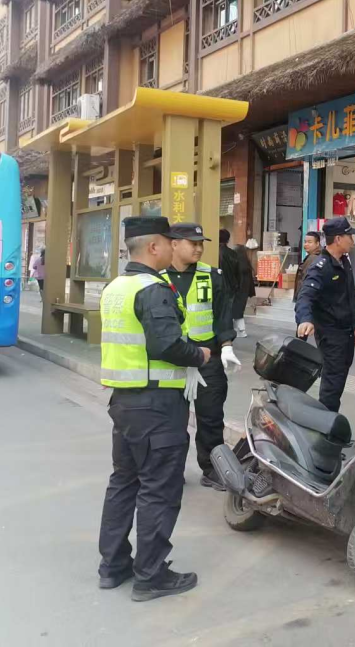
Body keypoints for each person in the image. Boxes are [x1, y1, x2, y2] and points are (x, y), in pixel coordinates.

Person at [97, 216, 210, 601]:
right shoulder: (153, 289)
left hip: (124, 402)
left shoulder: (116, 287)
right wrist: (200, 354)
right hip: (157, 405)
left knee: (123, 484)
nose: (173, 247)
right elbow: (167, 344)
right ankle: (150, 575)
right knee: (159, 489)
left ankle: (113, 566)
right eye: (168, 241)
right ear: (154, 247)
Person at [161, 223, 240, 491]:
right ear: (174, 244)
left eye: (200, 244)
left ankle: (212, 469)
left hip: (208, 359)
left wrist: (227, 345)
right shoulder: (158, 278)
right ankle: (172, 471)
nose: (198, 248)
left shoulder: (212, 276)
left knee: (211, 417)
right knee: (172, 419)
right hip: (172, 360)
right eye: (192, 243)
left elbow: (222, 313)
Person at [295, 218, 355, 412]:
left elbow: (348, 297)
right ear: (338, 239)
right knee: (332, 385)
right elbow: (305, 296)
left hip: (346, 333)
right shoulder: (321, 266)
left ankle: (328, 419)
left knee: (339, 379)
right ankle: (326, 423)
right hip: (330, 335)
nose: (353, 241)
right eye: (350, 236)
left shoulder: (343, 262)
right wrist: (305, 319)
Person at [231, 235, 256, 338]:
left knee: (235, 312)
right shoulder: (247, 265)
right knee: (239, 311)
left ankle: (240, 330)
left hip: (237, 291)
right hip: (244, 292)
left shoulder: (235, 265)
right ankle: (241, 331)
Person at [294, 230, 323, 303]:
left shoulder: (313, 258)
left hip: (307, 298)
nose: (306, 244)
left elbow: (304, 279)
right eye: (305, 242)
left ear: (317, 243)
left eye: (309, 242)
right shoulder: (315, 256)